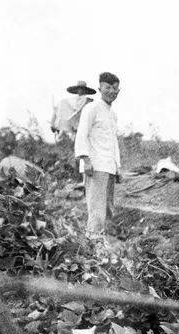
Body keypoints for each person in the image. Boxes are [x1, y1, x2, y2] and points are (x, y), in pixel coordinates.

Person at [74, 72, 121, 240]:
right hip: (95, 166)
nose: (111, 91)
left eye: (114, 88)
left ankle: (106, 245)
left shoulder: (112, 114)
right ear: (100, 88)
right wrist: (85, 160)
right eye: (107, 87)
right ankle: (92, 246)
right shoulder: (91, 108)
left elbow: (113, 141)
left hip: (109, 167)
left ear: (118, 91)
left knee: (109, 208)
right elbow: (81, 134)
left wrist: (118, 166)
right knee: (96, 209)